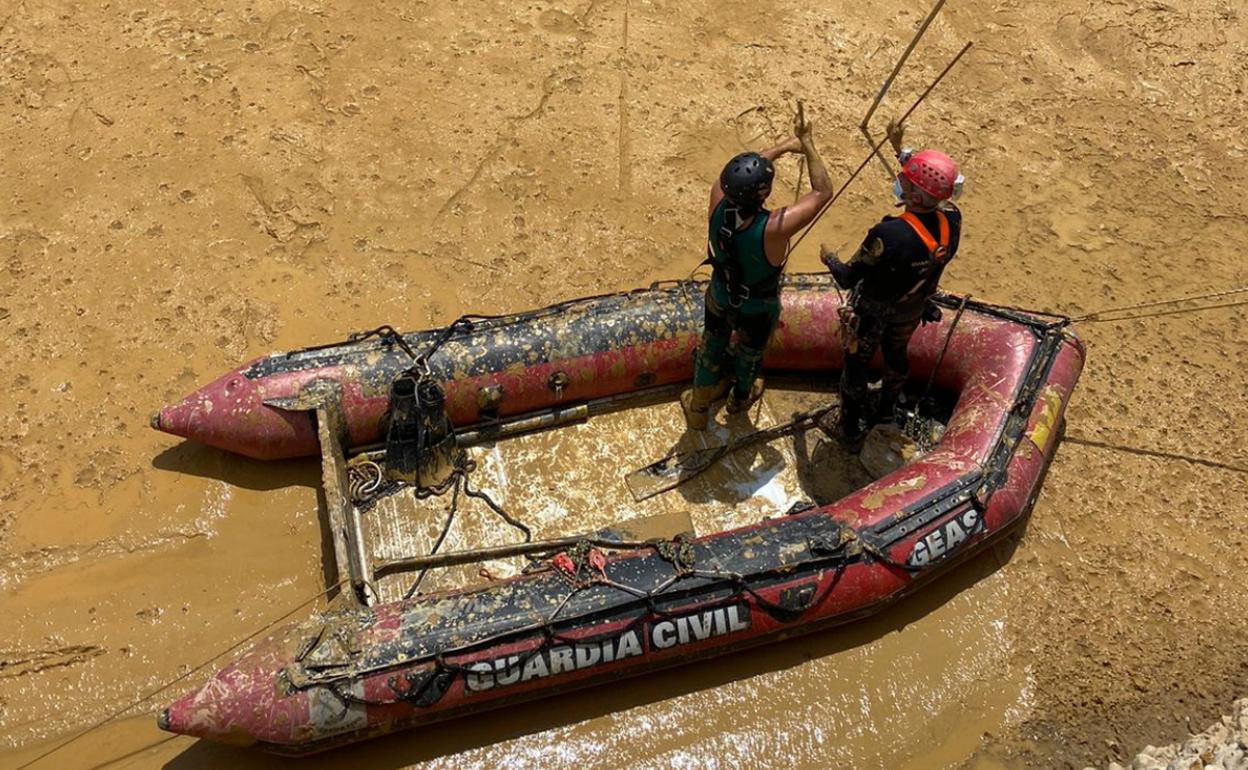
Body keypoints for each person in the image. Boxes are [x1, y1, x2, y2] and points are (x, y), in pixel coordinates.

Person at [684, 105, 833, 430]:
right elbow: (822, 191)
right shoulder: (774, 228)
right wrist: (806, 143)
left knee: (712, 343)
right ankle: (740, 397)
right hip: (756, 306)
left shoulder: (718, 197)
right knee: (751, 352)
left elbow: (740, 168)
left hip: (720, 294)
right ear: (763, 193)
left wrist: (780, 146)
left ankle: (698, 405)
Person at [820, 120, 963, 447]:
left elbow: (846, 277)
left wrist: (828, 257)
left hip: (872, 314)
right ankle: (885, 411)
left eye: (906, 182)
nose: (901, 183)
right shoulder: (951, 222)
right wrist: (902, 152)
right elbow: (930, 189)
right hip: (910, 311)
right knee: (897, 356)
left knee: (855, 365)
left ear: (914, 193)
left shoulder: (889, 235)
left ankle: (850, 427)